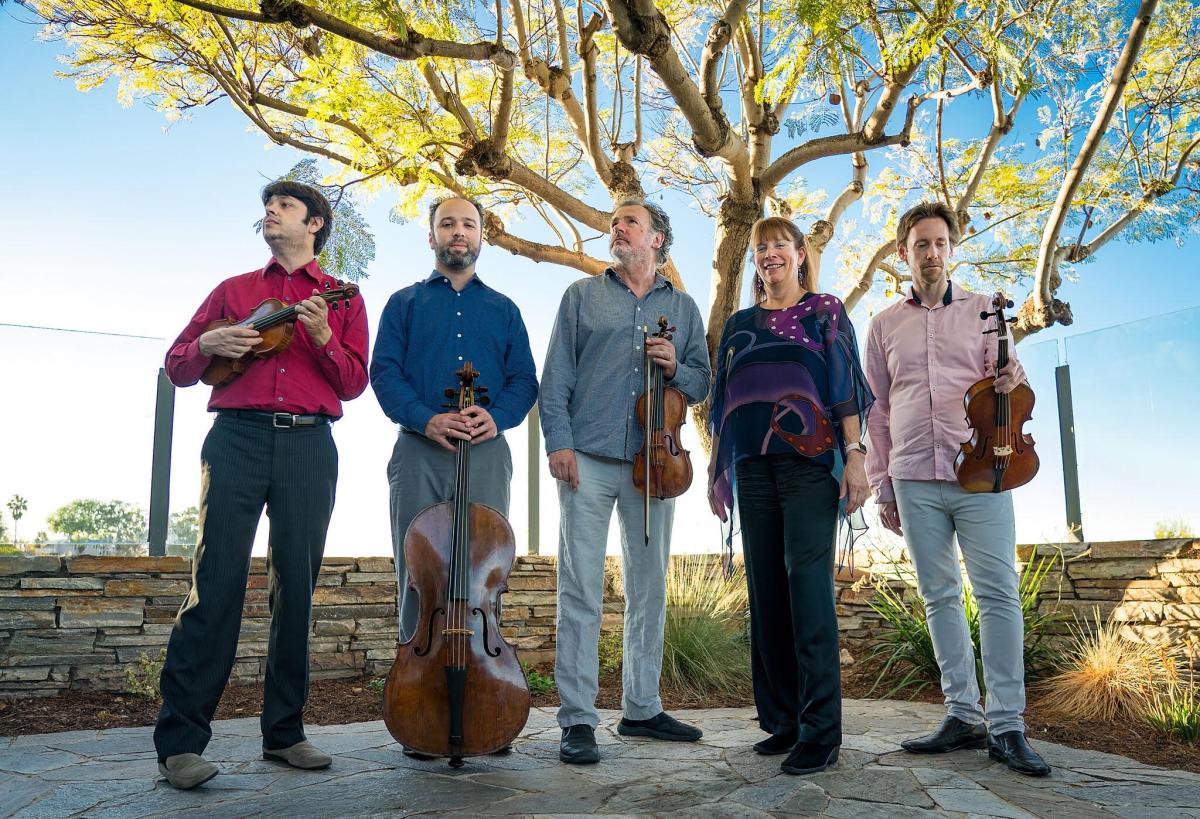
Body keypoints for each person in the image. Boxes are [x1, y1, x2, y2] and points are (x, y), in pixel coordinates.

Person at [155, 181, 369, 789]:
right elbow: (178, 363)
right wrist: (207, 343)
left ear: (316, 224)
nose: (269, 213)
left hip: (308, 443)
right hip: (236, 440)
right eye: (266, 207)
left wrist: (325, 338)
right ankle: (180, 745)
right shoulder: (233, 291)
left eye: (284, 207)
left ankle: (285, 734)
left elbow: (354, 383)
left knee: (295, 589)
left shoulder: (340, 298)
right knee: (214, 582)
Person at [864, 201, 1050, 777]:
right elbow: (877, 410)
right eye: (921, 244)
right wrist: (882, 483)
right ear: (904, 253)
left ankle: (1008, 724)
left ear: (951, 248)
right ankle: (962, 714)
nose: (932, 253)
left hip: (984, 472)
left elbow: (1012, 393)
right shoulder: (882, 325)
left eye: (940, 242)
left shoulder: (987, 312)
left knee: (998, 595)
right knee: (939, 596)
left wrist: (1011, 376)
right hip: (914, 474)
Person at [540, 198, 712, 764]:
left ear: (657, 238)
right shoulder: (581, 296)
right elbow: (557, 374)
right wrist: (558, 443)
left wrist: (675, 368)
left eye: (630, 222)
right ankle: (579, 720)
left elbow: (702, 380)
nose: (617, 228)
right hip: (586, 456)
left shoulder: (683, 307)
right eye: (614, 222)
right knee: (581, 588)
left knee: (648, 588)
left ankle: (642, 708)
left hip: (655, 463)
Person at [369, 195, 538, 758]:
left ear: (482, 236)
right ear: (432, 236)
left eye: (468, 224)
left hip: (487, 451)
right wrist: (426, 417)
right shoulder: (405, 303)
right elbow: (385, 374)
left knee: (485, 578)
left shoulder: (505, 309)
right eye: (448, 223)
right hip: (421, 450)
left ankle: (487, 705)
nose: (458, 232)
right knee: (421, 577)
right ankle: (421, 717)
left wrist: (498, 415)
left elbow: (523, 380)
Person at [707, 216, 872, 776]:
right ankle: (783, 720)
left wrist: (855, 456)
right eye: (761, 247)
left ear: (801, 254)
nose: (770, 253)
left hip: (808, 464)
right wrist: (718, 464)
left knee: (807, 590)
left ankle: (821, 730)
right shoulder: (738, 325)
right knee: (767, 592)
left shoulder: (824, 312)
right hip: (753, 466)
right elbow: (722, 399)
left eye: (781, 244)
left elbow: (844, 387)